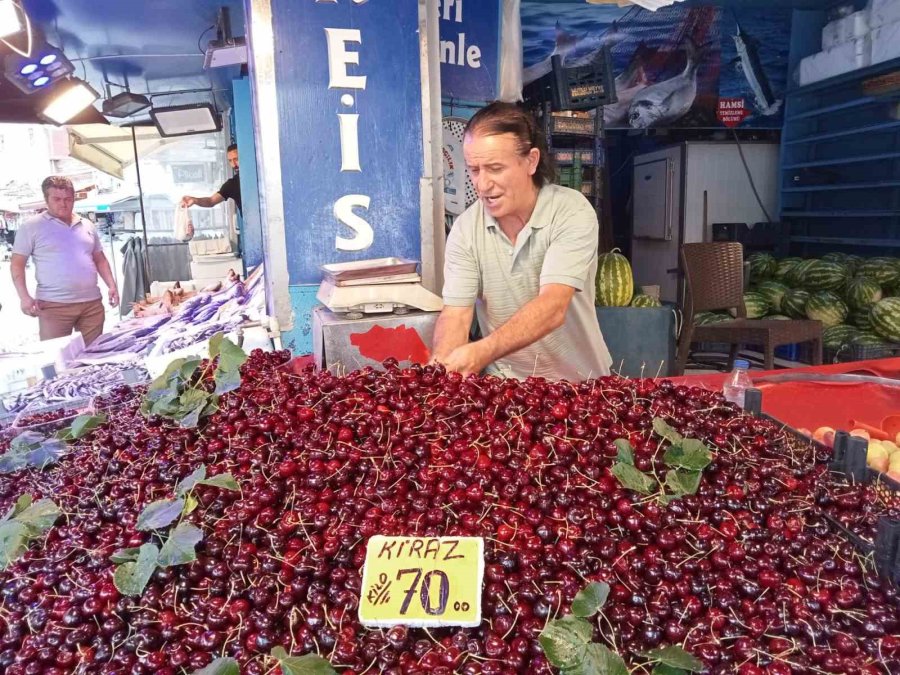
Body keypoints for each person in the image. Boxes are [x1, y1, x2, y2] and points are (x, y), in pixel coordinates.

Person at [431, 102, 612, 381]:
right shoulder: (466, 229)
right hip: (506, 390)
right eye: (474, 170)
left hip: (581, 387)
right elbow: (456, 314)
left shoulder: (570, 211)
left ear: (531, 161)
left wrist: (481, 351)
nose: (482, 184)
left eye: (495, 168)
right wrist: (443, 366)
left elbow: (553, 306)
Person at [10, 176, 119, 346]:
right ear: (46, 200)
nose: (63, 204)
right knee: (57, 359)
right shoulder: (31, 227)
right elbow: (17, 265)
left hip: (91, 304)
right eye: (57, 199)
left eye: (68, 199)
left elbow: (100, 259)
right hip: (54, 306)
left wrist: (112, 285)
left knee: (95, 356)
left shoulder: (87, 225)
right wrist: (24, 297)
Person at [180, 143, 242, 216]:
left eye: (236, 159)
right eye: (230, 161)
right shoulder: (232, 184)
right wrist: (195, 200)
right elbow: (211, 201)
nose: (233, 164)